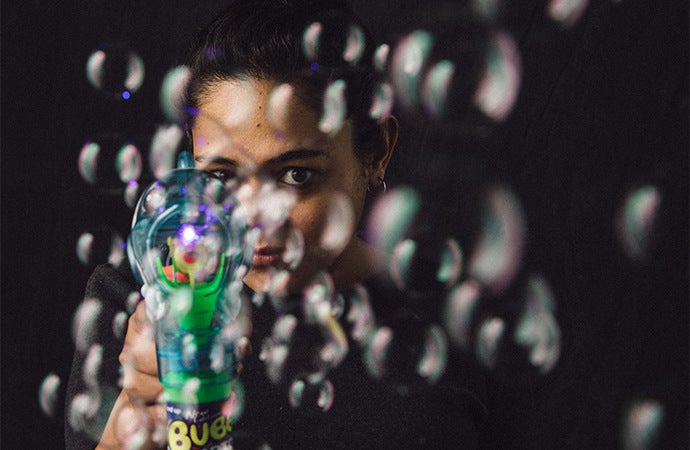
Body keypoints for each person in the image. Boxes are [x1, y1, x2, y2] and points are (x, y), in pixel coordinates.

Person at [66, 1, 487, 448]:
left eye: (296, 175)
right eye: (222, 176)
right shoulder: (132, 310)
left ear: (377, 152)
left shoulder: (455, 334)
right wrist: (134, 419)